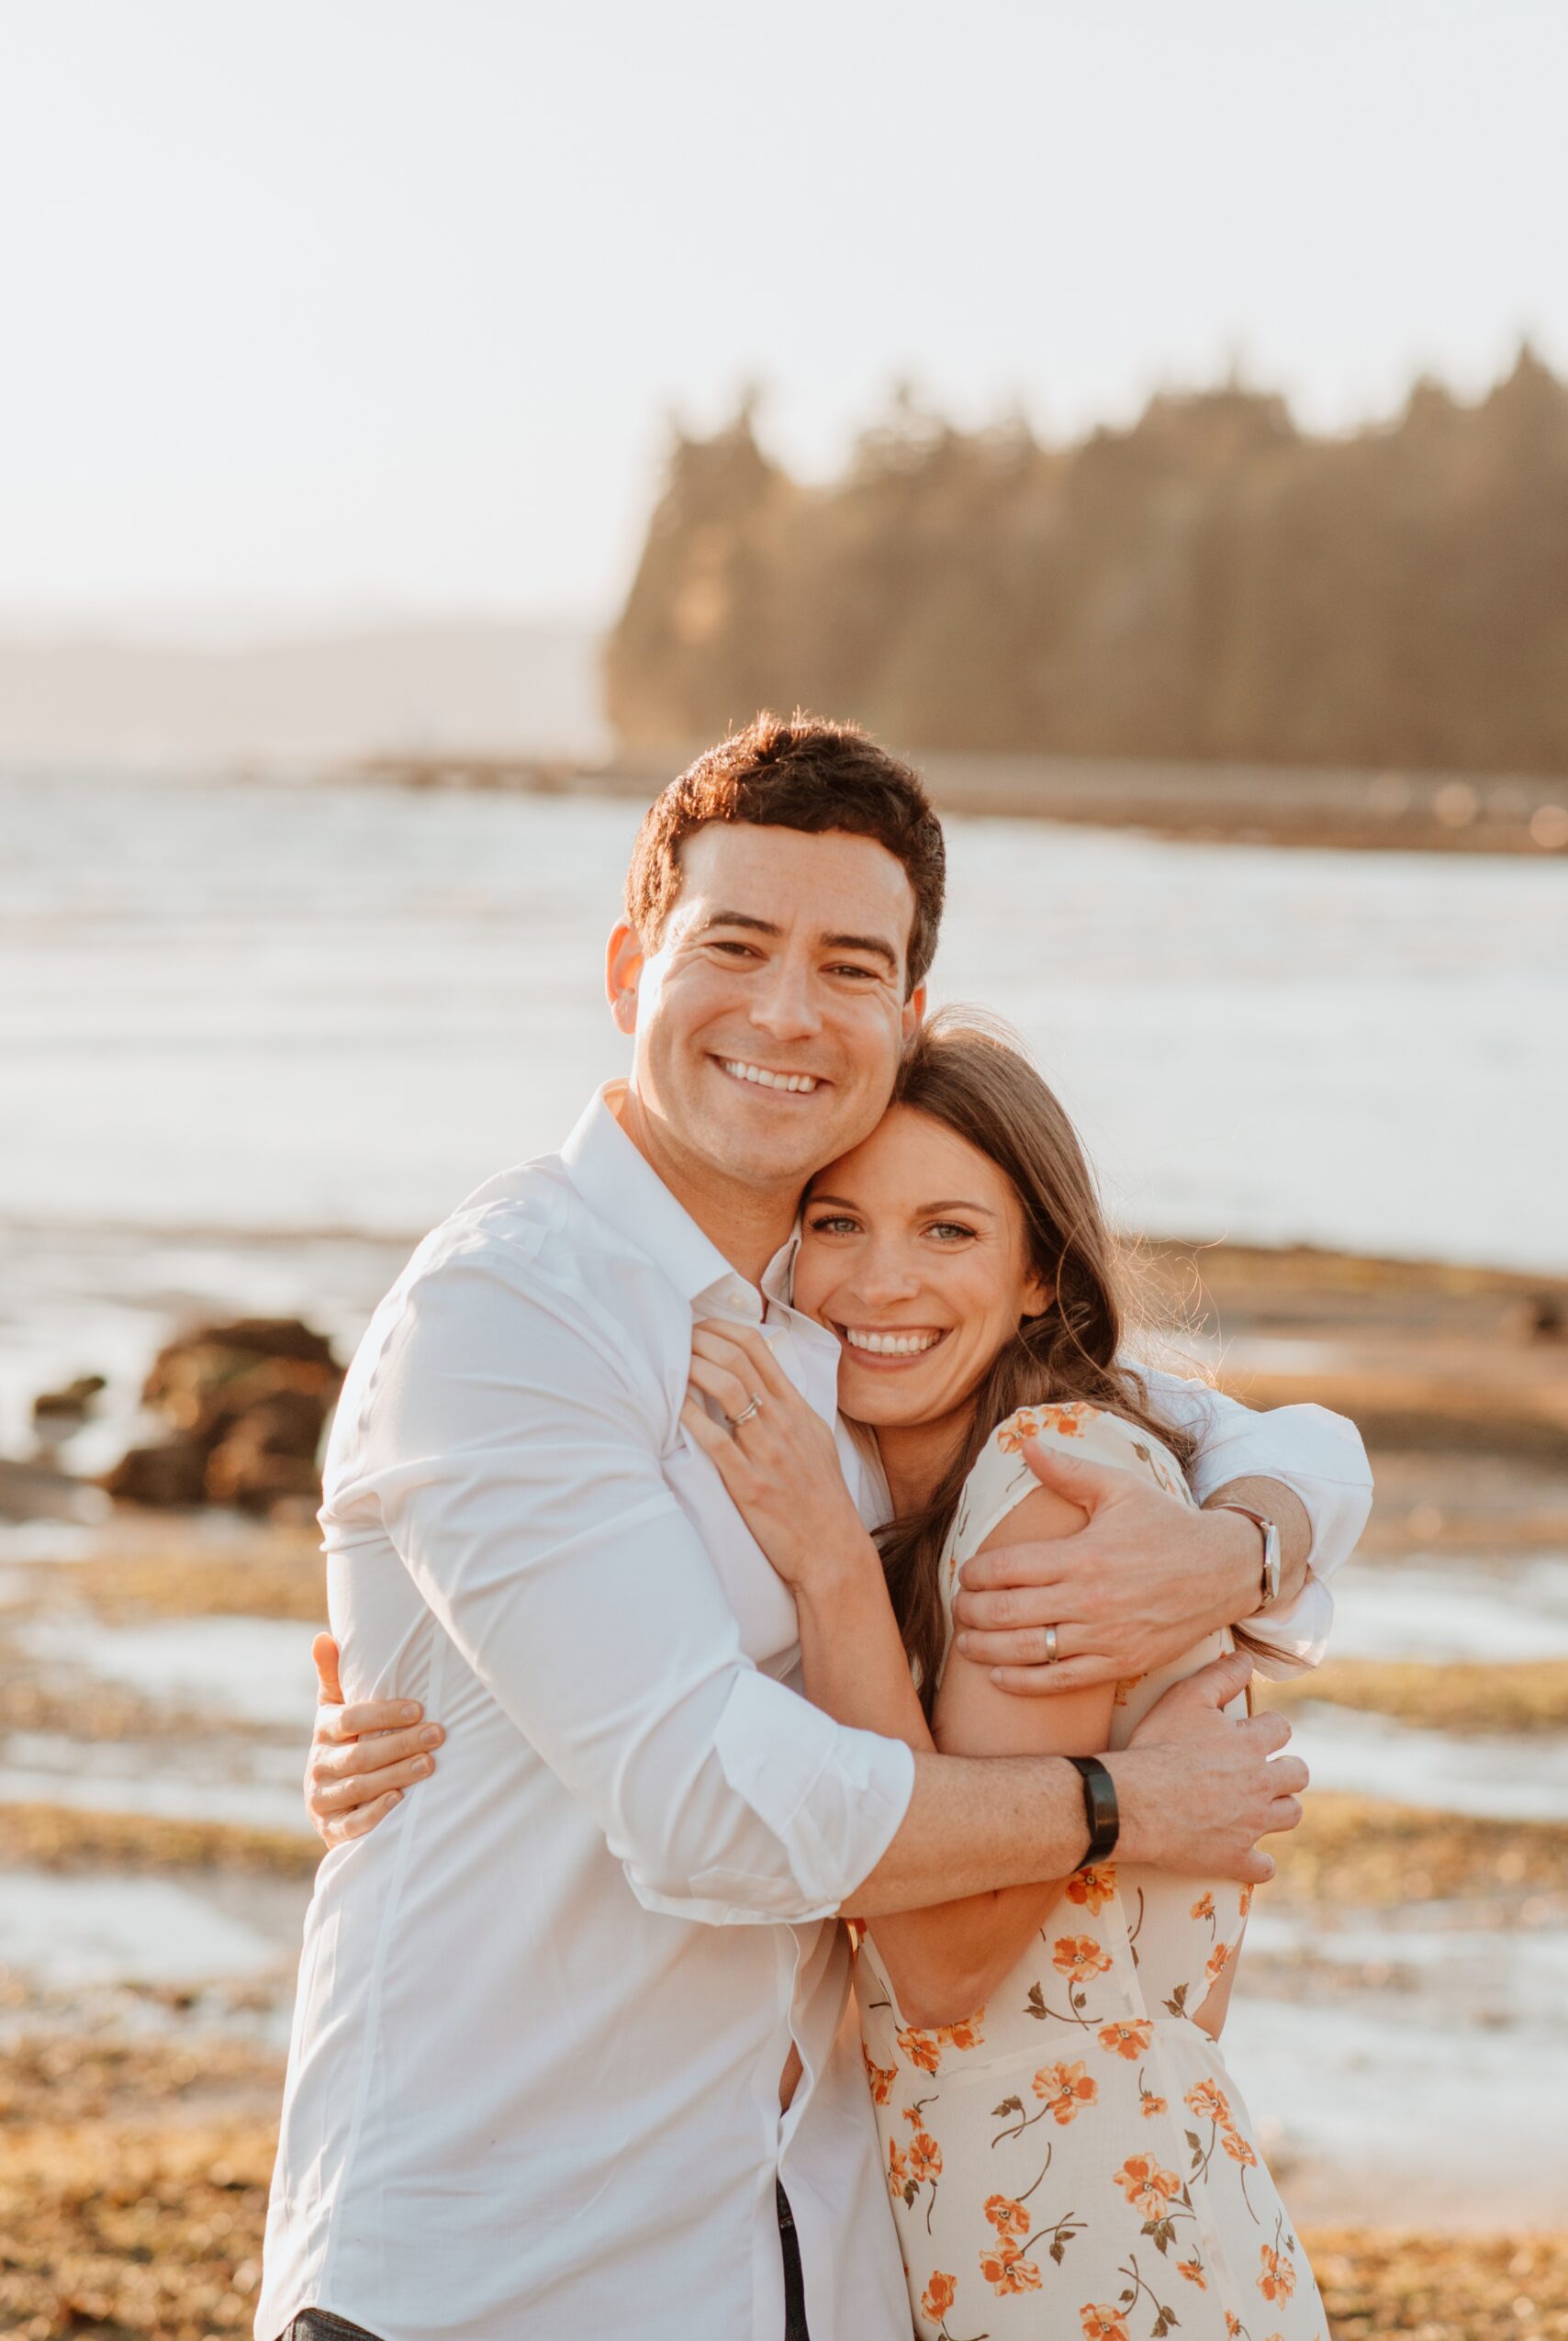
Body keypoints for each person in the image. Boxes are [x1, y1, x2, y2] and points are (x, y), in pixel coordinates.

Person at [263, 714, 1369, 2341]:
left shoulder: (833, 1320)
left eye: (851, 966)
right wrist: (1119, 1805)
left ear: (905, 1013)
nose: (788, 1010)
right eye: (737, 945)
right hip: (493, 2268)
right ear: (632, 963)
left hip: (779, 2255)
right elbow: (708, 1810)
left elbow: (1248, 1432)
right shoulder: (512, 1312)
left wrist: (1241, 1547)